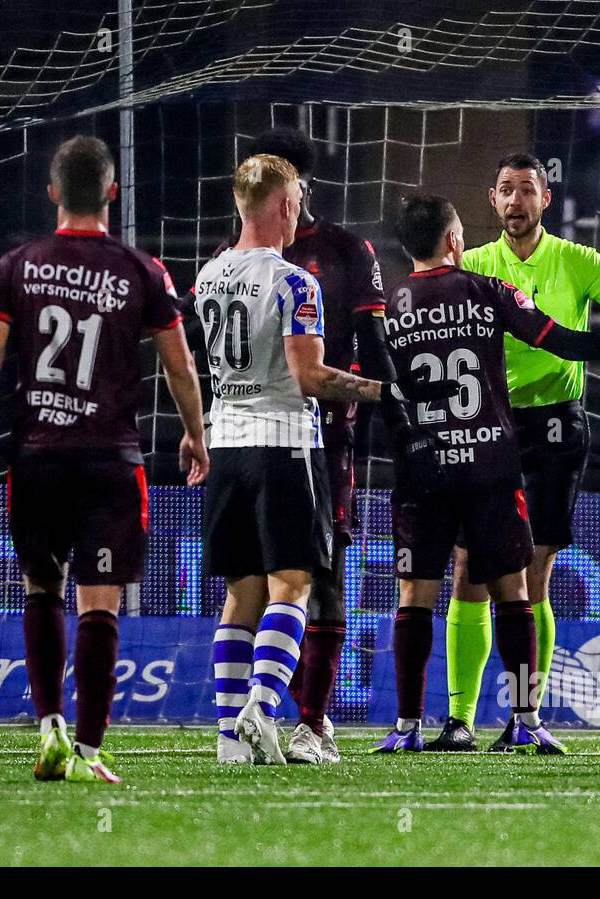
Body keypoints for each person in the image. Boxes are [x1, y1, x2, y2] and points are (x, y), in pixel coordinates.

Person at [0, 135, 208, 784]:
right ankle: (91, 751)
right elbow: (179, 367)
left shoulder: (17, 266)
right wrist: (195, 435)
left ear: (53, 193)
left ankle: (49, 728)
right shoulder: (141, 270)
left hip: (37, 456)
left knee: (42, 589)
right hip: (111, 459)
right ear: (112, 193)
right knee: (100, 603)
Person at [372, 194, 600, 754]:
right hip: (489, 461)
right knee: (514, 588)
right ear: (456, 241)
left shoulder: (391, 305)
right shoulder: (486, 291)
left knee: (416, 595)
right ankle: (526, 718)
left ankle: (409, 726)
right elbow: (562, 341)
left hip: (423, 466)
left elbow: (374, 383)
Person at [199, 153, 453, 765]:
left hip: (225, 444)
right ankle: (263, 704)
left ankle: (231, 736)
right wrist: (384, 391)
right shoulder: (294, 281)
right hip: (284, 443)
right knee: (293, 584)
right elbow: (309, 377)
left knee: (241, 593)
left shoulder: (208, 275)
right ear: (286, 206)